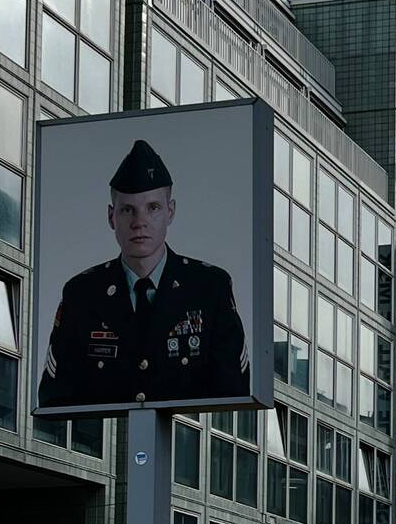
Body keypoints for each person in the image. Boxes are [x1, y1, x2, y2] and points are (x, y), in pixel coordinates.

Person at [37, 140, 250, 410]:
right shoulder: (82, 294)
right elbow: (55, 400)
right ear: (111, 216)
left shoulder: (209, 288)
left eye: (153, 208)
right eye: (128, 210)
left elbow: (234, 396)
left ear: (170, 212)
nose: (140, 222)